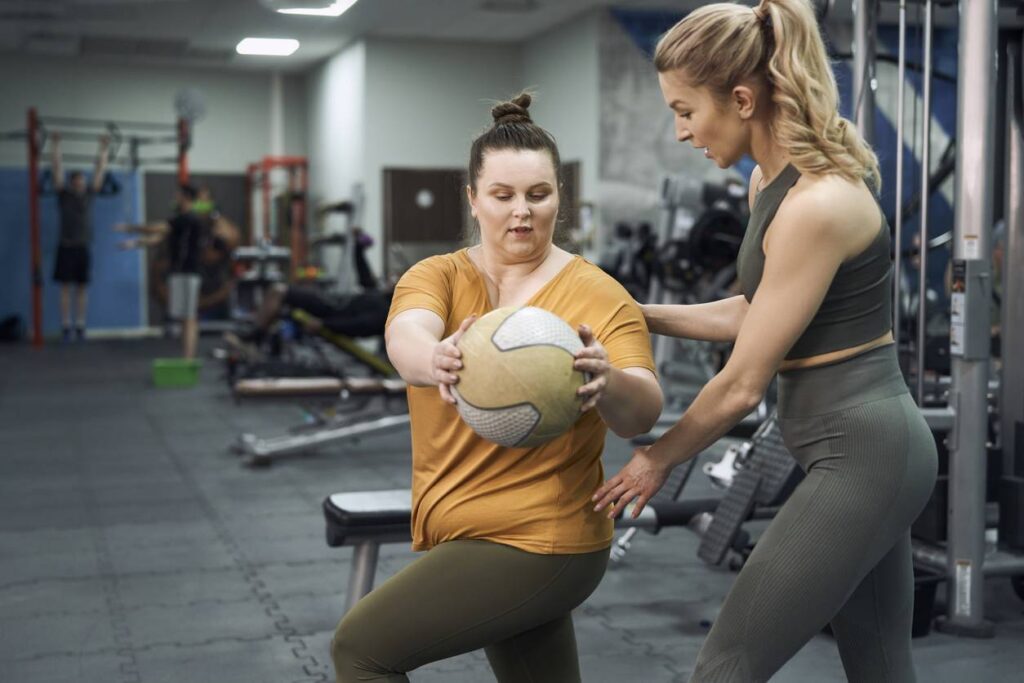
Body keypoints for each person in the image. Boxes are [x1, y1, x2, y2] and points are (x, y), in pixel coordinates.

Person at [591, 2, 938, 681]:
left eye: (685, 110)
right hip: (848, 448)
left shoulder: (819, 204)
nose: (681, 130)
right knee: (881, 665)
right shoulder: (767, 184)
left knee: (726, 665)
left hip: (864, 453)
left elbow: (742, 383)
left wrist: (653, 458)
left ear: (743, 99)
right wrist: (635, 311)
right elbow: (753, 311)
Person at [329, 93, 664, 683]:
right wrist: (437, 358)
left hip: (541, 538)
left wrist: (607, 381)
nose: (522, 212)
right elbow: (406, 338)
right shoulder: (437, 276)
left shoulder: (597, 294)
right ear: (473, 200)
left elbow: (642, 408)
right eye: (503, 196)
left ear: (560, 197)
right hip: (470, 526)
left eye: (539, 195)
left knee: (361, 650)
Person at [116, 184, 205, 359]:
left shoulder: (189, 219)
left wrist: (130, 228)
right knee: (183, 317)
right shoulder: (180, 221)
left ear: (186, 197)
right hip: (179, 273)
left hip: (189, 273)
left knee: (189, 317)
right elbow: (158, 238)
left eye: (178, 194)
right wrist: (133, 244)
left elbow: (158, 228)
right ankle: (186, 357)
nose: (175, 197)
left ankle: (189, 359)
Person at [50, 132, 110, 341]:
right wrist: (55, 144)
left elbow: (99, 172)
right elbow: (57, 170)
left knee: (82, 288)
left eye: (82, 181)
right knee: (66, 288)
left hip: (83, 246)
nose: (81, 183)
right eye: (77, 181)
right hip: (65, 246)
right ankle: (66, 326)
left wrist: (103, 149)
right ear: (72, 183)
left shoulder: (89, 195)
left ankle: (81, 325)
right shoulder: (63, 194)